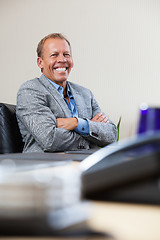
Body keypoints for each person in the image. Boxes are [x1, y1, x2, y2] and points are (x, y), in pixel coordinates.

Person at [16, 33, 118, 153]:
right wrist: (90, 131)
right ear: (40, 62)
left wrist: (76, 123)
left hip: (86, 166)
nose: (62, 60)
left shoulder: (85, 94)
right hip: (47, 166)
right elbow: (50, 139)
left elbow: (111, 134)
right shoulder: (30, 90)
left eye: (66, 54)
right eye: (54, 55)